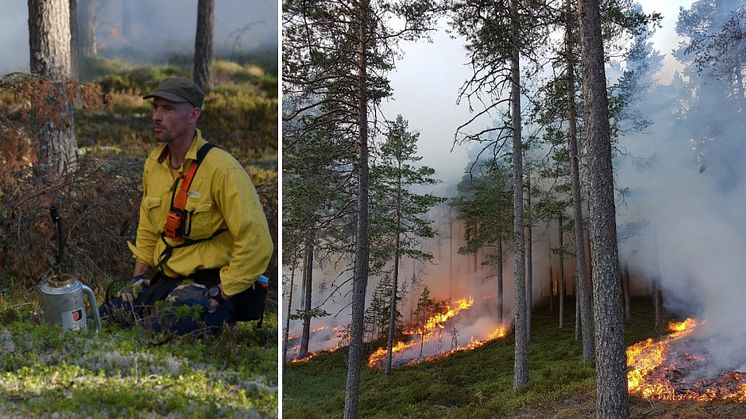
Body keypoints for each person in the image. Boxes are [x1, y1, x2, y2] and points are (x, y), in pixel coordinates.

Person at [101, 77, 273, 334]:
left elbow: (258, 243)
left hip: (210, 284)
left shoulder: (222, 169)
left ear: (193, 114)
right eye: (155, 108)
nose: (157, 117)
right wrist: (138, 280)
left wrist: (219, 294)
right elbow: (148, 227)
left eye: (168, 109)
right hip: (168, 280)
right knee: (102, 318)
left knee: (161, 331)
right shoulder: (154, 164)